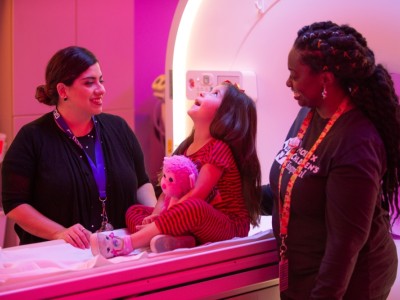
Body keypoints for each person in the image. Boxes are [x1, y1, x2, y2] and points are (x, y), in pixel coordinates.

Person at [269, 21, 400, 299]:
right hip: (304, 268)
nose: (288, 82)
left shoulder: (357, 142)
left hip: (351, 280)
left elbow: (345, 245)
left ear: (325, 79)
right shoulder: (308, 114)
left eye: (294, 74)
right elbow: (293, 181)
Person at [1, 46, 157, 249]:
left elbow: (141, 183)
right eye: (89, 83)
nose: (101, 89)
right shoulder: (32, 138)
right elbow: (15, 203)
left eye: (101, 80)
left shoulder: (118, 128)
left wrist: (152, 217)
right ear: (63, 91)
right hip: (57, 256)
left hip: (120, 249)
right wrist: (59, 232)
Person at [90, 80, 262, 258]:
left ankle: (127, 243)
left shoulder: (219, 148)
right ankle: (182, 240)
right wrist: (157, 215)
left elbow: (197, 195)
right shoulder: (186, 148)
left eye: (215, 94)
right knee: (135, 211)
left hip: (228, 226)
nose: (204, 93)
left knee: (194, 207)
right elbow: (167, 192)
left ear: (227, 115)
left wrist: (164, 218)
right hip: (193, 222)